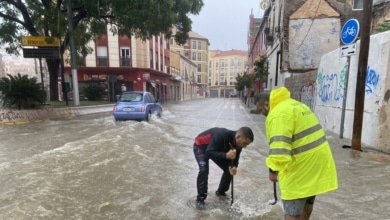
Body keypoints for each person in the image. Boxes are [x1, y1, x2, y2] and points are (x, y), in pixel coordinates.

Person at [256, 87, 338, 220]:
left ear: (266, 105)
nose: (261, 114)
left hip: (302, 168)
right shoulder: (297, 105)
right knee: (308, 200)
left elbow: (279, 150)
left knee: (292, 210)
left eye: (260, 110)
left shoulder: (277, 114)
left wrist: (272, 171)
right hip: (319, 163)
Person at [193, 127, 254, 209]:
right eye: (245, 143)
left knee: (229, 170)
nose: (245, 146)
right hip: (201, 147)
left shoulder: (238, 144)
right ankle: (200, 200)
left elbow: (235, 159)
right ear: (238, 137)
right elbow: (208, 153)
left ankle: (221, 192)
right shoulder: (221, 135)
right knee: (204, 170)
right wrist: (226, 155)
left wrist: (233, 168)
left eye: (247, 144)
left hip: (215, 150)